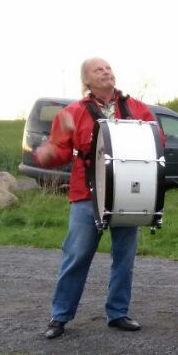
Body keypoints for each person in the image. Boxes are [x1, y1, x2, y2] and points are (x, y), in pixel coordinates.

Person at [36, 58, 158, 339]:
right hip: (86, 194)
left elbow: (156, 138)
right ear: (86, 81)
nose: (105, 72)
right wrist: (46, 151)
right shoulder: (72, 112)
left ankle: (118, 313)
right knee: (77, 255)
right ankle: (60, 316)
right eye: (97, 70)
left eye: (108, 68)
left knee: (124, 256)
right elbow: (57, 154)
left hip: (129, 192)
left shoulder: (137, 108)